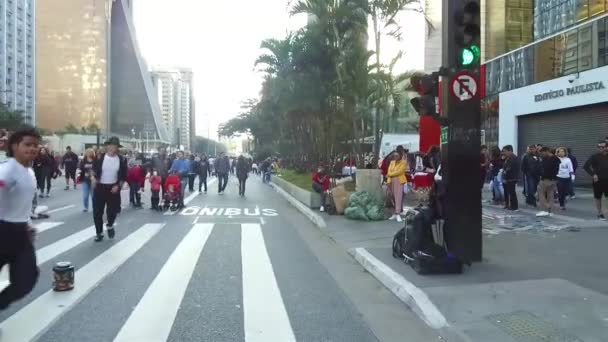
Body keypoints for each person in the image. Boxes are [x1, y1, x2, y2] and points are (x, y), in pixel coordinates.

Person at [0, 127, 41, 312]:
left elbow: (23, 204)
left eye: (35, 145)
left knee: (27, 280)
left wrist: (28, 224)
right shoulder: (6, 171)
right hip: (2, 230)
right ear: (15, 146)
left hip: (20, 232)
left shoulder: (30, 173)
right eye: (27, 144)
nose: (32, 148)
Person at [91, 137, 127, 242]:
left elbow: (123, 176)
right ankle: (99, 233)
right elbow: (93, 170)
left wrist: (118, 186)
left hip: (113, 188)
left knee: (113, 211)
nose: (112, 148)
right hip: (100, 187)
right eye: (110, 145)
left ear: (117, 148)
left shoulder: (122, 159)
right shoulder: (99, 158)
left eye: (114, 146)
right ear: (107, 146)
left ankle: (110, 225)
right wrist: (93, 178)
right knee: (97, 212)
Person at [583, 140, 608, 220]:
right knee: (598, 197)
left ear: (606, 147)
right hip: (598, 180)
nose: (600, 148)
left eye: (602, 147)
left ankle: (605, 211)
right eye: (599, 147)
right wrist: (593, 175)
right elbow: (586, 166)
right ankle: (600, 213)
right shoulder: (594, 156)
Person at [536, 147, 560, 217]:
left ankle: (545, 209)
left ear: (546, 151)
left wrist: (542, 175)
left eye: (542, 153)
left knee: (540, 192)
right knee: (550, 194)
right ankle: (550, 211)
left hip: (547, 178)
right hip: (553, 179)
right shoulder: (556, 159)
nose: (541, 155)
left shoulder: (549, 160)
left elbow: (546, 170)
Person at [387, 150, 408, 222]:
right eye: (394, 156)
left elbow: (400, 172)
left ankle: (398, 213)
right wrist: (389, 176)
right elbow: (389, 171)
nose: (395, 157)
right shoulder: (391, 162)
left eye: (397, 156)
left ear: (400, 156)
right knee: (392, 196)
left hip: (399, 181)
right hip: (390, 181)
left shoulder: (403, 162)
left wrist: (390, 174)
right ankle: (395, 213)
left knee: (398, 197)